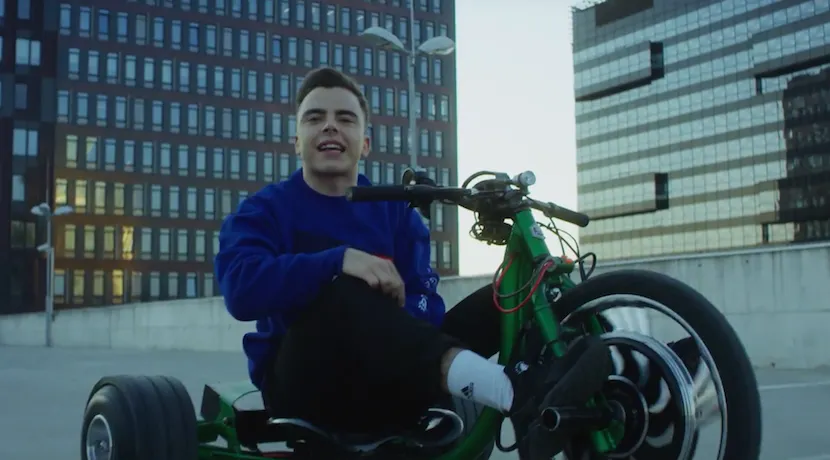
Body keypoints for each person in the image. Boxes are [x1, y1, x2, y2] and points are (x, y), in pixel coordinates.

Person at [214, 66, 614, 457]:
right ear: (297, 141)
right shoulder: (264, 209)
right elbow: (240, 289)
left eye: (345, 119)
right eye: (315, 118)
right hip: (308, 389)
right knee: (345, 291)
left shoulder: (396, 213)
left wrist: (390, 317)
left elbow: (427, 304)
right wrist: (338, 261)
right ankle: (516, 394)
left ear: (364, 144)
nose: (330, 126)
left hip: (394, 382)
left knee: (514, 292)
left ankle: (620, 384)